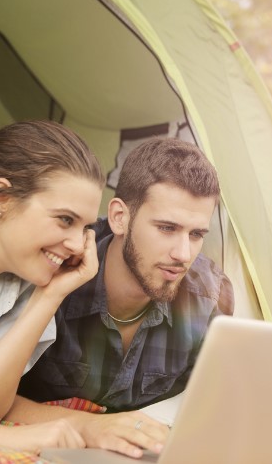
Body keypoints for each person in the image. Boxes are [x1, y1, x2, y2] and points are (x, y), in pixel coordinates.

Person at [0, 120, 168, 458]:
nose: (77, 244)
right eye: (64, 219)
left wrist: (49, 297)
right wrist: (14, 440)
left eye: (85, 227)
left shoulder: (21, 287)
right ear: (0, 194)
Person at [18, 137, 234, 414]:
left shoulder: (210, 297)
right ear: (119, 217)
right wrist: (94, 428)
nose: (183, 254)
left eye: (196, 234)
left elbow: (206, 410)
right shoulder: (53, 268)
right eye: (167, 228)